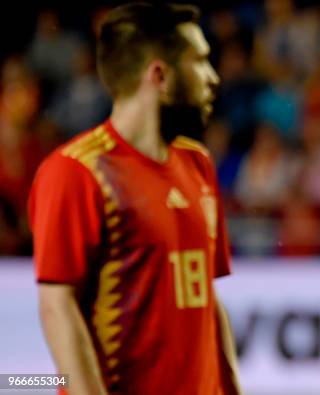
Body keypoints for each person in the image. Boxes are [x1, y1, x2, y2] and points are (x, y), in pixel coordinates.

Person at [28, 3, 241, 394]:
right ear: (159, 75)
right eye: (200, 62)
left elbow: (206, 299)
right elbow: (57, 307)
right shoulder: (77, 171)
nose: (213, 78)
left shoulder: (197, 163)